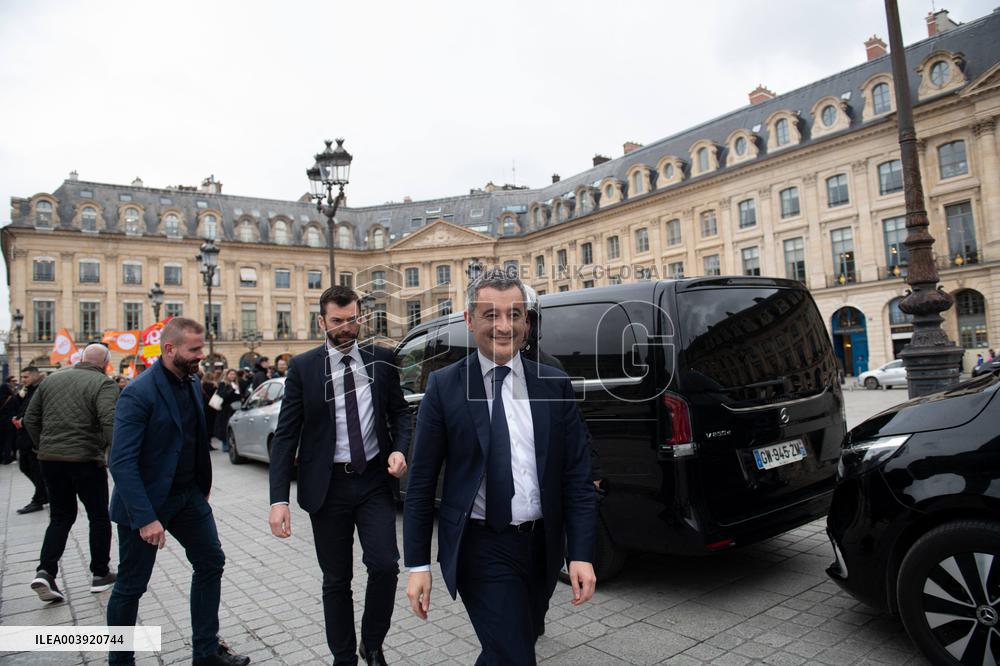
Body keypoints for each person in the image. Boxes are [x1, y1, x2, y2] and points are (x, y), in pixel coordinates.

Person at [403, 269, 597, 665]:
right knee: (515, 656)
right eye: (491, 315)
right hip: (482, 547)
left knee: (509, 647)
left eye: (515, 314)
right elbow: (421, 483)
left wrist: (580, 552)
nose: (504, 326)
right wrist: (418, 565)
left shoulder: (553, 384)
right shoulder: (445, 387)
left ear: (527, 320)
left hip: (542, 545)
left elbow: (578, 477)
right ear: (469, 319)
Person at [269, 286, 412, 666]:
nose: (347, 328)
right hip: (326, 487)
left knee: (384, 565)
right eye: (338, 321)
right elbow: (286, 435)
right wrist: (278, 499)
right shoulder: (303, 368)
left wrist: (400, 448)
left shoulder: (382, 360)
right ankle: (343, 656)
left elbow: (400, 413)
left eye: (353, 320)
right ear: (322, 321)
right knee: (337, 579)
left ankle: (373, 642)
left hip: (373, 482)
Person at [106, 318, 250, 666]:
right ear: (169, 349)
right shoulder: (137, 393)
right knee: (131, 586)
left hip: (187, 497)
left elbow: (195, 438)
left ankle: (206, 652)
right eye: (195, 350)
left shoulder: (192, 381)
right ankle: (120, 661)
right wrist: (145, 518)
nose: (202, 355)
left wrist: (201, 489)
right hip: (146, 504)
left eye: (202, 347)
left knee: (210, 561)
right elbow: (121, 462)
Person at [23, 344, 119, 603]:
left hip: (51, 460)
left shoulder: (51, 380)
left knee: (60, 517)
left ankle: (45, 571)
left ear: (81, 359)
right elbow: (109, 420)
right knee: (98, 516)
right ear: (106, 363)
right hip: (85, 459)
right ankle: (100, 573)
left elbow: (30, 419)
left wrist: (42, 446)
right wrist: (113, 455)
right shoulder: (104, 384)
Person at [13, 366, 48, 514]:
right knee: (25, 467)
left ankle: (40, 498)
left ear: (35, 375)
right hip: (24, 436)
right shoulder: (29, 391)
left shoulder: (40, 390)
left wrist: (24, 421)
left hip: (33, 437)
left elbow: (37, 413)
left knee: (34, 468)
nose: (23, 380)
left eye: (26, 377)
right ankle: (44, 494)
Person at [213, 369, 245, 452]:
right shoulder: (223, 384)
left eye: (234, 374)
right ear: (227, 375)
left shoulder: (237, 384)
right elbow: (223, 395)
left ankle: (232, 445)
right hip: (226, 410)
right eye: (230, 374)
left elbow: (239, 396)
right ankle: (225, 445)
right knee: (225, 427)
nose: (232, 376)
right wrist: (232, 390)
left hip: (235, 409)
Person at [0, 375, 19, 464]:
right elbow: (17, 408)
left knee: (1, 440)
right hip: (9, 422)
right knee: (8, 440)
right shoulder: (12, 398)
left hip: (1, 422)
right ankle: (7, 458)